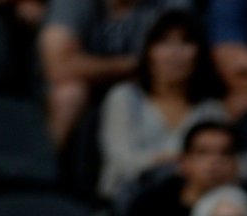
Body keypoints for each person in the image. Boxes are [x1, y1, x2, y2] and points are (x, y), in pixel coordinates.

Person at [98, 8, 230, 201]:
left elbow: (239, 163)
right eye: (164, 43)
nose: (175, 53)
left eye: (186, 43)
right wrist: (183, 162)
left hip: (195, 202)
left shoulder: (211, 110)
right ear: (148, 52)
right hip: (129, 201)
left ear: (199, 53)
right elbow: (122, 160)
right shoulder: (124, 97)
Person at [116, 114, 246, 216]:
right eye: (202, 153)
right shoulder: (152, 205)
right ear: (184, 162)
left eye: (225, 153)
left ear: (236, 164)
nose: (215, 161)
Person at [40, 0, 166, 152]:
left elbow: (169, 61)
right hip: (86, 88)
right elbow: (57, 67)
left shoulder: (161, 5)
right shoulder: (73, 4)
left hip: (138, 87)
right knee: (70, 93)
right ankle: (45, 164)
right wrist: (133, 64)